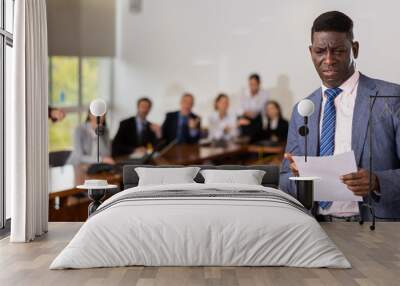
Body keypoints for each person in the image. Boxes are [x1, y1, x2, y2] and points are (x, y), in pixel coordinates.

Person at [280, 11, 400, 221]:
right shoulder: (302, 109)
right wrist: (297, 179)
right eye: (320, 51)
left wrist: (378, 181)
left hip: (378, 228)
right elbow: (285, 181)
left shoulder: (391, 98)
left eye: (338, 51)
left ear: (354, 49)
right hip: (317, 228)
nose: (328, 60)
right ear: (311, 52)